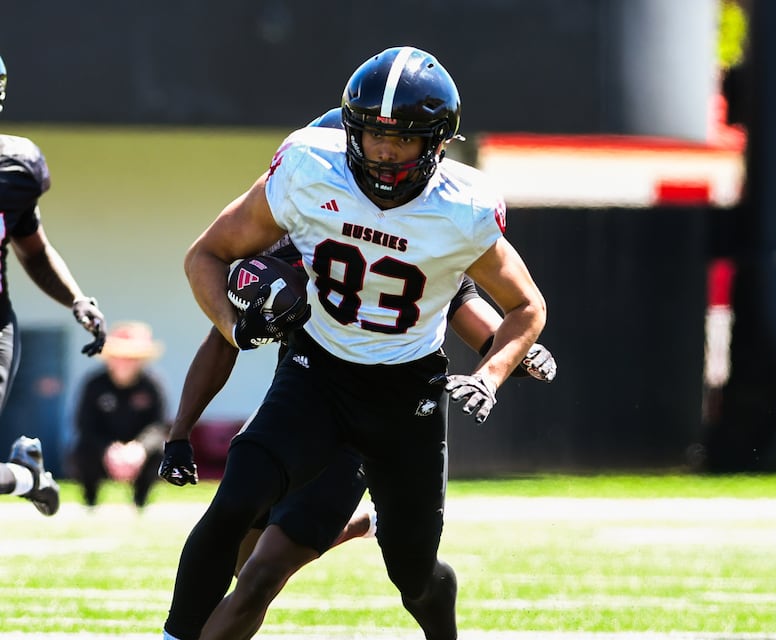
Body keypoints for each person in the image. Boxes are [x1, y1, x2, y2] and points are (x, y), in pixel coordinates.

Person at [164, 46, 546, 640]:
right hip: (316, 376)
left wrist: (493, 372)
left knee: (413, 572)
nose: (385, 151)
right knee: (234, 505)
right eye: (371, 134)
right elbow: (206, 256)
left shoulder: (462, 208)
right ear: (348, 129)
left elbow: (522, 306)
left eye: (403, 139)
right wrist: (232, 328)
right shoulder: (308, 171)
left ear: (438, 142)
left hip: (404, 395)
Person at [0, 54, 107, 516]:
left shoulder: (14, 170)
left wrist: (75, 299)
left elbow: (34, 250)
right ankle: (28, 475)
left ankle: (28, 474)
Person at [68, 321, 168, 509]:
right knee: (81, 449)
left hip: (138, 451)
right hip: (103, 449)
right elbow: (84, 424)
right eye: (120, 356)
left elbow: (158, 425)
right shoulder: (94, 384)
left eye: (132, 357)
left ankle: (140, 502)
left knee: (161, 451)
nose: (125, 362)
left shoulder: (152, 385)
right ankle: (90, 502)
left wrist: (140, 448)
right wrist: (107, 449)